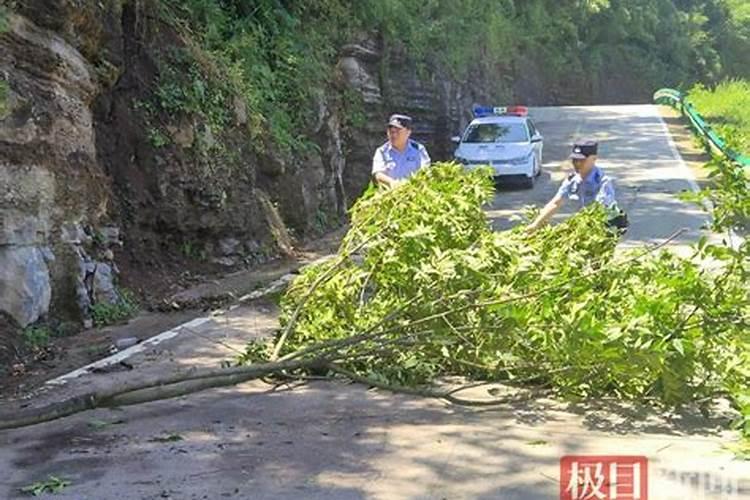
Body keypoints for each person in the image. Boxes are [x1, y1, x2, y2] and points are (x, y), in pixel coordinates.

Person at [526, 139, 627, 233]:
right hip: (581, 228)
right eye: (575, 160)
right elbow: (556, 203)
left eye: (582, 160)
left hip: (601, 231)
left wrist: (575, 228)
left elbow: (600, 211)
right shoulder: (572, 180)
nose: (577, 164)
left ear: (594, 159)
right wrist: (536, 224)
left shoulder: (602, 182)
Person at [372, 114, 431, 189]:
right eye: (391, 131)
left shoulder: (419, 149)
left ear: (408, 132)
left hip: (415, 191)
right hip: (390, 194)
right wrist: (392, 182)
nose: (393, 135)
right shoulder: (382, 151)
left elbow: (425, 171)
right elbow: (378, 174)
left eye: (398, 131)